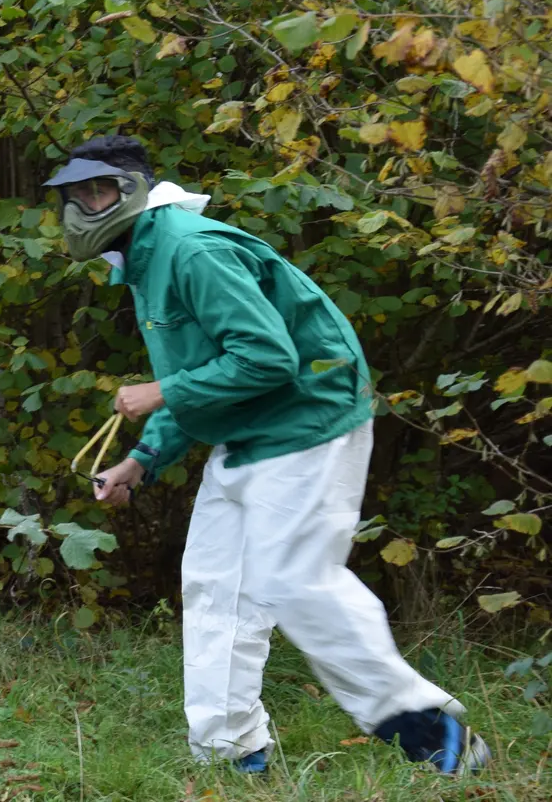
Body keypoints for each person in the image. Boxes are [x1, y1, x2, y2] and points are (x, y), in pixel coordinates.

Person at [47, 134, 490, 776]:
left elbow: (268, 359)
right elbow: (205, 374)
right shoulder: (145, 260)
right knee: (214, 585)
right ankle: (232, 753)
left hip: (308, 421)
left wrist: (159, 390)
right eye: (75, 194)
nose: (85, 206)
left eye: (99, 190)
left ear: (135, 189)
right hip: (247, 432)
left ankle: (433, 735)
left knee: (295, 584)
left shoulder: (191, 250)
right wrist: (140, 460)